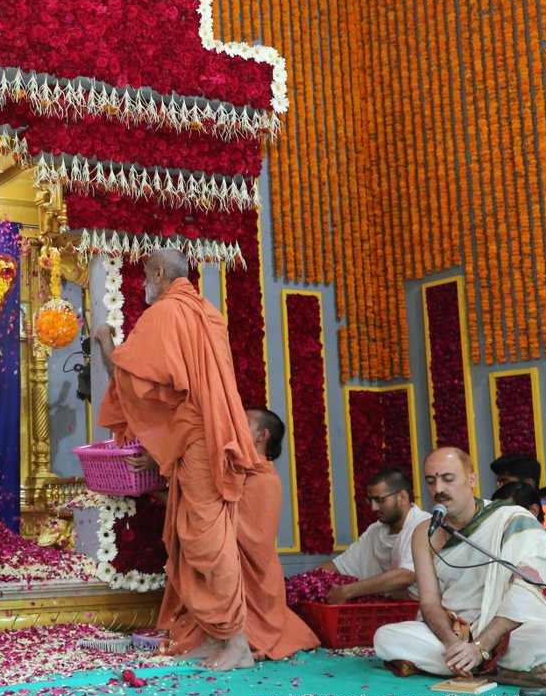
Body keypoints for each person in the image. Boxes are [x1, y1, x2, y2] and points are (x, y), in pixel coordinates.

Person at [94, 248, 259, 671]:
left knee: (208, 543)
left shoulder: (167, 312)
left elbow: (132, 378)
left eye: (145, 274)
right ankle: (211, 635)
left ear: (160, 273)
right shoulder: (207, 312)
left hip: (200, 442)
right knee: (191, 541)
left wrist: (106, 343)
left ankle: (238, 642)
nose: (142, 284)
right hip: (204, 438)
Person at [375, 447, 546, 687]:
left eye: (448, 479)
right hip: (457, 631)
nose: (439, 489)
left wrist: (480, 646)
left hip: (506, 633)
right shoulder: (424, 533)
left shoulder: (511, 519)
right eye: (431, 481)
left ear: (471, 480)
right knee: (386, 638)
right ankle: (496, 671)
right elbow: (430, 602)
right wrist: (453, 643)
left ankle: (477, 664)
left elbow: (527, 592)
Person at [158, 408, 319, 659]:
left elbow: (234, 531)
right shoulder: (234, 472)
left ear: (262, 435)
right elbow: (202, 512)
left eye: (243, 422)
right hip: (227, 573)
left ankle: (239, 640)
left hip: (251, 579)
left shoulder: (263, 479)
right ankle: (217, 637)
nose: (232, 425)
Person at [312, 467, 429, 603]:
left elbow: (406, 575)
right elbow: (338, 566)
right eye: (370, 501)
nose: (374, 507)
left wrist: (348, 591)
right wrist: (303, 582)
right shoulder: (375, 531)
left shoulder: (424, 525)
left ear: (402, 497)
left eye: (379, 500)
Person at [491, 454, 546, 541]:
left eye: (505, 482)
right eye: (498, 483)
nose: (499, 487)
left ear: (529, 484)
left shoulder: (545, 521)